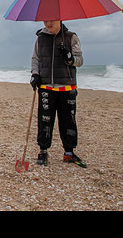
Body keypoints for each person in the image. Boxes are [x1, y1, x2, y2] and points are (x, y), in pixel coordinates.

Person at [30, 20, 86, 168]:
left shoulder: (71, 37)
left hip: (67, 86)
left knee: (68, 120)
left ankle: (69, 152)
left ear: (60, 19)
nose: (48, 23)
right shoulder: (40, 38)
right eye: (45, 20)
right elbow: (35, 59)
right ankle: (43, 151)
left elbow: (80, 60)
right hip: (46, 86)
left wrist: (70, 58)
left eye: (52, 20)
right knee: (45, 120)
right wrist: (35, 75)